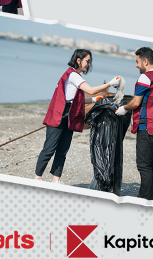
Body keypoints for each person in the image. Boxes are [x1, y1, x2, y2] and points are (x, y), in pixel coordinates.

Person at [36, 50, 119, 183]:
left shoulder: (75, 76)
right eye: (87, 61)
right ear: (78, 60)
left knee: (63, 150)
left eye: (90, 61)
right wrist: (110, 83)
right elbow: (90, 90)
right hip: (60, 114)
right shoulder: (73, 75)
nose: (89, 64)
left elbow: (75, 99)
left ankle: (55, 180)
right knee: (49, 148)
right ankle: (37, 178)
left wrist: (93, 100)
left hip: (69, 114)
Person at [115, 47, 153, 200]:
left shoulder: (146, 78)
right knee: (148, 165)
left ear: (145, 61)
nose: (136, 65)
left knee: (143, 166)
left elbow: (135, 102)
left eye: (137, 62)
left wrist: (123, 109)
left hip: (148, 127)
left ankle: (144, 199)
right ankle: (148, 196)